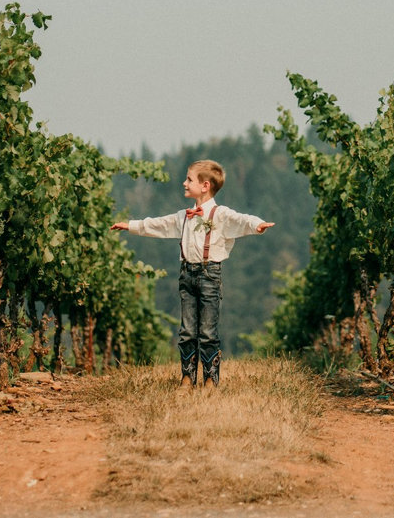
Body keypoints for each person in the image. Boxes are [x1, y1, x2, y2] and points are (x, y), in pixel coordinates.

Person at [111, 160, 275, 390]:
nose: (184, 183)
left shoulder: (220, 214)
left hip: (210, 275)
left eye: (189, 179)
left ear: (205, 185)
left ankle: (210, 380)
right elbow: (159, 225)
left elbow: (241, 219)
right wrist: (131, 225)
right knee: (187, 330)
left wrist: (257, 225)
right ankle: (187, 378)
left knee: (208, 331)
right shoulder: (184, 216)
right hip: (186, 274)